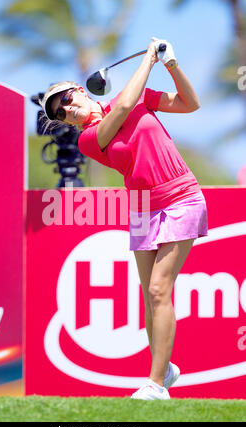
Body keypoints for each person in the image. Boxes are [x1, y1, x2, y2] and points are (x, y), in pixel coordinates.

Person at [40, 37, 208, 400]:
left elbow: (190, 104)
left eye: (66, 100)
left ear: (82, 91)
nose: (66, 111)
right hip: (141, 207)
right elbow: (122, 108)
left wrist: (172, 65)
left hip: (180, 197)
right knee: (151, 297)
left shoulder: (136, 99)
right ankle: (164, 370)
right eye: (58, 113)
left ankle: (155, 385)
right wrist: (149, 59)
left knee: (159, 289)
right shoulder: (87, 139)